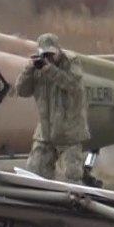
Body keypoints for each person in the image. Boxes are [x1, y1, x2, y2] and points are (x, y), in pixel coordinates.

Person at [14, 33, 90, 183]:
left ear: (58, 51)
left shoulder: (70, 62)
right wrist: (28, 70)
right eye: (45, 54)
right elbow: (21, 90)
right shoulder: (38, 68)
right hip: (46, 133)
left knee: (72, 175)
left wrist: (50, 71)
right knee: (34, 172)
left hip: (69, 133)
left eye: (51, 54)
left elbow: (73, 85)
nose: (48, 58)